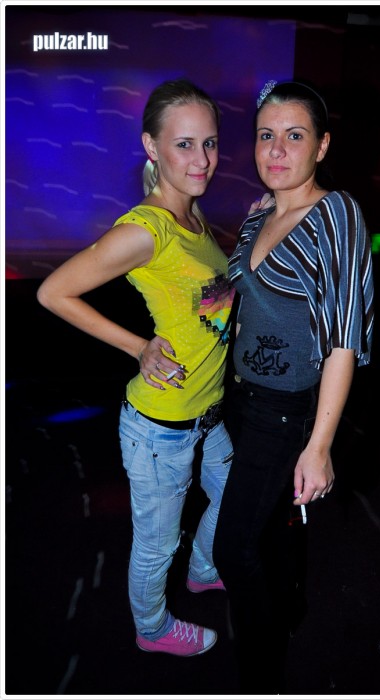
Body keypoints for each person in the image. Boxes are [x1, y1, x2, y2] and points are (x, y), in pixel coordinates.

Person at [37, 78, 236, 658]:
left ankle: (204, 570)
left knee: (237, 496)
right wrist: (137, 347)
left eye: (210, 143)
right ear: (152, 146)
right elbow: (53, 292)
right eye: (184, 144)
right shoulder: (147, 228)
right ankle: (151, 630)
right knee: (156, 545)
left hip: (207, 413)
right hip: (160, 428)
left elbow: (209, 305)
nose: (201, 160)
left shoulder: (192, 216)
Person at [213, 80, 375, 692]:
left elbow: (344, 339)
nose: (276, 150)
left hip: (283, 411)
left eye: (295, 135)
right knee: (269, 525)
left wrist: (320, 446)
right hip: (241, 398)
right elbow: (245, 302)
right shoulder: (262, 213)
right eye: (266, 135)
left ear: (322, 145)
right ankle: (285, 610)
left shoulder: (336, 215)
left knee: (233, 550)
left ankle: (260, 675)